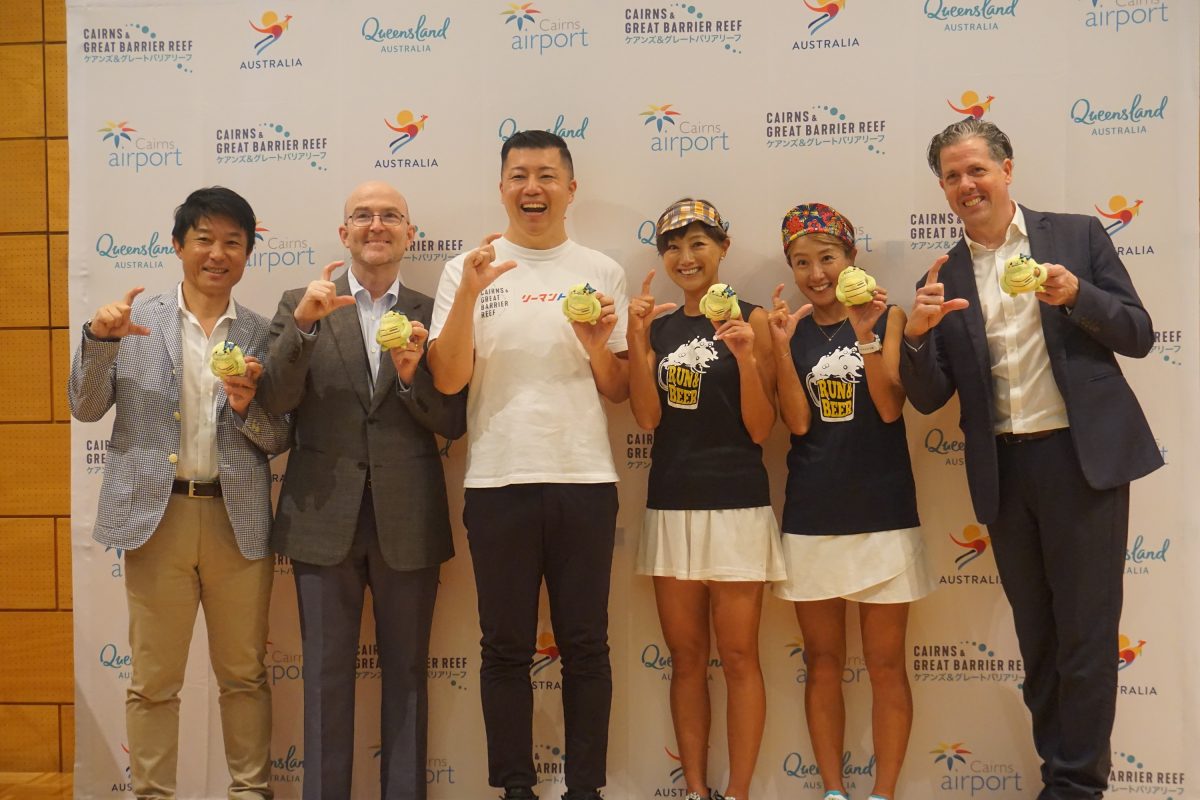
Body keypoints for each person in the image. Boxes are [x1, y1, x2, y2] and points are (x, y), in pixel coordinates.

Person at [901, 119, 1162, 799]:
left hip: (1081, 463)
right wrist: (916, 334)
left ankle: (1077, 787)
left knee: (1087, 636)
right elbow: (928, 398)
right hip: (1005, 473)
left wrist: (1078, 296)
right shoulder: (942, 276)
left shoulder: (1076, 238)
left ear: (1007, 169)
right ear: (942, 188)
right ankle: (1059, 774)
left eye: (976, 170)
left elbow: (1139, 334)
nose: (966, 185)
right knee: (1038, 638)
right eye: (952, 176)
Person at [426, 130, 629, 800]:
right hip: (497, 481)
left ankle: (585, 790)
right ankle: (514, 788)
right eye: (519, 175)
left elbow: (618, 388)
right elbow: (448, 379)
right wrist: (468, 294)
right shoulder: (467, 270)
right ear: (501, 188)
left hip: (585, 480)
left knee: (586, 645)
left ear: (570, 189)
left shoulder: (601, 270)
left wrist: (597, 345)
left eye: (546, 175)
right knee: (504, 648)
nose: (532, 188)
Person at [69, 186, 289, 799]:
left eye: (233, 243)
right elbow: (85, 407)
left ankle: (250, 792)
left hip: (237, 522)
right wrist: (99, 340)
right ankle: (153, 794)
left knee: (244, 676)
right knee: (153, 681)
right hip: (156, 520)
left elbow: (279, 436)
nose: (217, 254)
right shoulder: (132, 322)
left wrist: (246, 407)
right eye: (204, 240)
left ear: (247, 254)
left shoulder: (263, 333)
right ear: (177, 245)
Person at [255, 181, 467, 800]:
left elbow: (453, 420)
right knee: (324, 678)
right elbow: (275, 400)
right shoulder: (302, 304)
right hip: (321, 518)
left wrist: (410, 380)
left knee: (408, 677)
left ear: (410, 234)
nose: (377, 225)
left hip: (410, 518)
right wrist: (303, 327)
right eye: (363, 216)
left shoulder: (435, 311)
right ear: (343, 232)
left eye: (391, 216)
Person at [769, 203, 933, 800]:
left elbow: (890, 409)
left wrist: (866, 337)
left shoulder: (889, 316)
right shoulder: (787, 329)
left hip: (884, 510)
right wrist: (780, 350)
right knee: (821, 662)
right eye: (802, 262)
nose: (817, 274)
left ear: (851, 257)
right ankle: (834, 791)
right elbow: (797, 423)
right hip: (813, 513)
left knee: (886, 665)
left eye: (827, 258)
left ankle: (883, 792)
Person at [627, 198, 783, 800]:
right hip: (671, 502)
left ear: (722, 248)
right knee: (686, 658)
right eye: (673, 247)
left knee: (739, 656)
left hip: (738, 502)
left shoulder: (753, 319)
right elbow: (646, 417)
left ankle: (738, 792)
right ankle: (695, 789)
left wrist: (744, 355)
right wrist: (636, 337)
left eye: (698, 244)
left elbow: (760, 428)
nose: (685, 257)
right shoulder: (660, 327)